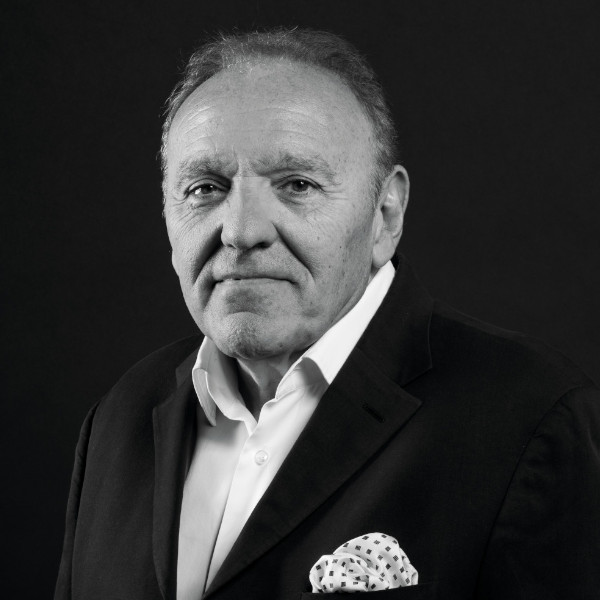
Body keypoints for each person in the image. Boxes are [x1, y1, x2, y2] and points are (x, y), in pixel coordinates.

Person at [55, 28, 600, 600]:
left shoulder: (532, 422)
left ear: (385, 214)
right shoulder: (118, 419)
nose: (241, 231)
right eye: (204, 188)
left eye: (297, 184)